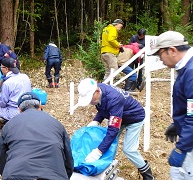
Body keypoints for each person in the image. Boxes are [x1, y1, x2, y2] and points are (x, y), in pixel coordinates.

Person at [75, 78, 154, 179]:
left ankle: (148, 175)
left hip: (134, 117)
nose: (90, 102)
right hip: (119, 115)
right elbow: (103, 107)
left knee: (129, 149)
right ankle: (106, 169)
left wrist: (98, 152)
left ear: (97, 91)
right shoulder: (99, 90)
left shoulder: (114, 99)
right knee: (109, 143)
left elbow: (113, 130)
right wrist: (97, 120)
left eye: (90, 99)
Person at [148, 31, 193, 180]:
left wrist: (181, 148)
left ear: (172, 50)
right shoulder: (186, 68)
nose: (161, 61)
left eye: (160, 55)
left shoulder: (191, 72)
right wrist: (178, 122)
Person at [0, 92, 74, 180]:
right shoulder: (56, 124)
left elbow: (2, 160)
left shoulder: (8, 126)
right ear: (40, 105)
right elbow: (68, 160)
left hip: (15, 175)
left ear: (19, 109)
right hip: (53, 176)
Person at [0, 57, 31, 123]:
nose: (0, 69)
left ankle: (7, 121)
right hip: (28, 109)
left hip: (14, 111)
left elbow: (2, 104)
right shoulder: (25, 77)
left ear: (6, 69)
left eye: (1, 67)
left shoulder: (7, 83)